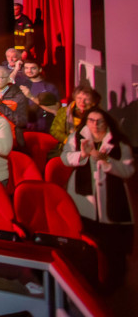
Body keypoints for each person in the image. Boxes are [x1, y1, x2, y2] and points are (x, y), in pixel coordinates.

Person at [61, 108, 134, 289]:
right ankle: (88, 280)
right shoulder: (77, 138)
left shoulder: (119, 143)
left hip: (112, 201)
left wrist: (106, 161)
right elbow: (65, 158)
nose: (95, 124)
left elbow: (128, 170)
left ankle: (114, 284)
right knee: (87, 243)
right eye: (91, 120)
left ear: (106, 122)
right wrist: (82, 155)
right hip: (84, 200)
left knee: (113, 247)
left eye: (99, 121)